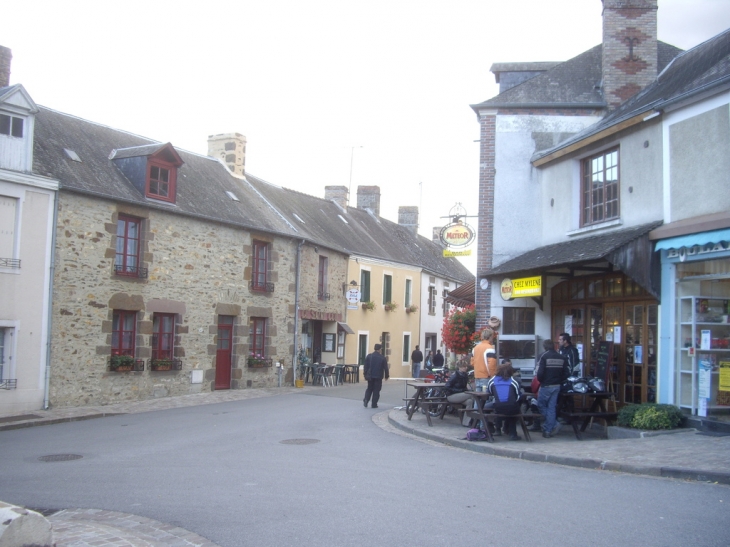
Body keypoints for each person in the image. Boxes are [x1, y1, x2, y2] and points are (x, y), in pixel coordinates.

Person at [536, 339, 570, 438]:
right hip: (557, 386)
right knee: (551, 408)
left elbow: (540, 373)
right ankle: (548, 429)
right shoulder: (561, 357)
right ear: (554, 346)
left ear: (545, 347)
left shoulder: (544, 356)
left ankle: (554, 424)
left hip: (546, 385)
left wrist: (541, 380)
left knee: (541, 405)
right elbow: (567, 373)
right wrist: (559, 380)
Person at [486, 360, 523, 441]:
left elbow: (489, 393)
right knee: (513, 408)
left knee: (487, 408)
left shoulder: (492, 380)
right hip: (512, 408)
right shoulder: (513, 381)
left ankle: (493, 428)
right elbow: (518, 395)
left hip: (498, 407)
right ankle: (513, 434)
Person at [443, 362, 473, 426]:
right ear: (459, 368)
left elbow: (465, 386)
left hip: (461, 395)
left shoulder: (465, 375)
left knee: (470, 401)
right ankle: (477, 417)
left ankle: (466, 422)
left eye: (466, 366)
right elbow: (447, 386)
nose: (466, 368)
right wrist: (460, 390)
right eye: (464, 367)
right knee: (472, 395)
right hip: (451, 395)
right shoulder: (455, 376)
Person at [472, 327, 498, 393]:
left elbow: (472, 363)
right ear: (490, 337)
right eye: (492, 336)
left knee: (478, 398)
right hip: (486, 376)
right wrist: (493, 376)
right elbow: (492, 364)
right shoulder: (489, 348)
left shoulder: (475, 348)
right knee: (486, 398)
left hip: (477, 376)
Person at [363, 343, 389, 408]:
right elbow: (386, 368)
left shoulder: (369, 356)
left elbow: (365, 366)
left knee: (369, 388)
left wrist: (365, 374)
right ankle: (374, 404)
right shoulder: (382, 358)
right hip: (378, 376)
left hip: (370, 376)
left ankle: (366, 400)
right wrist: (386, 376)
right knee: (376, 390)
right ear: (380, 349)